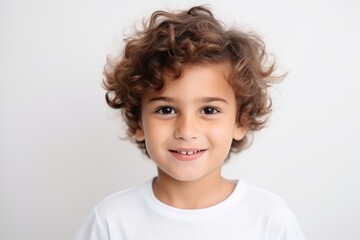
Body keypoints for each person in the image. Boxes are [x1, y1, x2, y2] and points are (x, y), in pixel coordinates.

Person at [75, 5, 306, 240]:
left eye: (209, 110)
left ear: (241, 121)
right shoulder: (110, 222)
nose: (186, 131)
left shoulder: (270, 220)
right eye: (166, 110)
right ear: (137, 123)